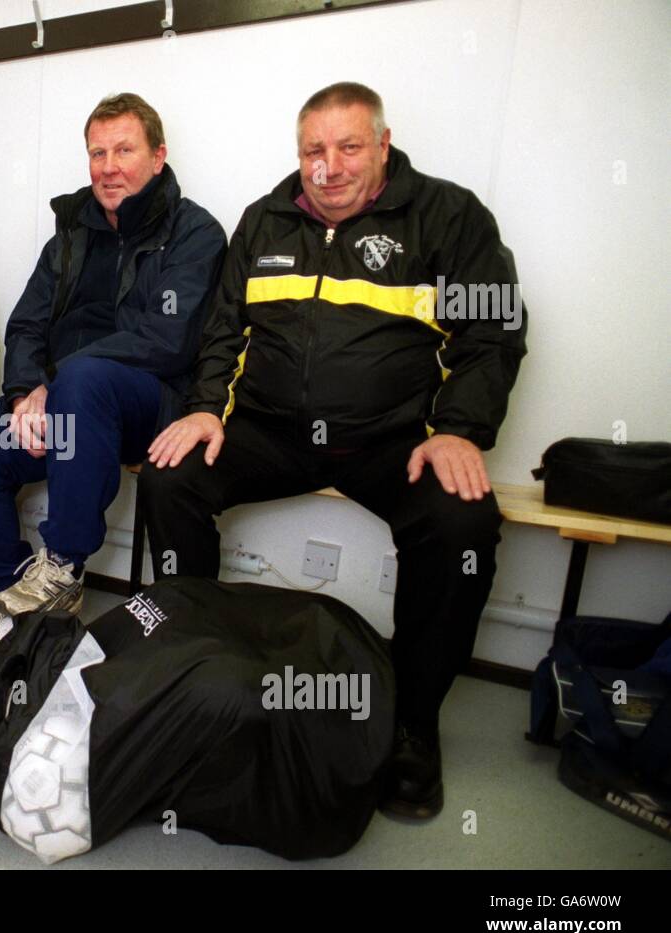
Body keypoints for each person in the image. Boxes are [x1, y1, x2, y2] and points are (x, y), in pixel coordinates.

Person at [142, 82, 528, 819]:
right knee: (172, 477)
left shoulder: (449, 217)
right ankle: (188, 666)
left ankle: (414, 720)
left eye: (349, 147)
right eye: (313, 150)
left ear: (383, 144)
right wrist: (204, 411)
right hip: (271, 428)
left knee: (462, 524)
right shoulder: (264, 221)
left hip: (392, 437)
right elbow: (225, 328)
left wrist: (459, 429)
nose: (329, 166)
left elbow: (493, 333)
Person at [0, 93, 227, 661]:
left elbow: (169, 338)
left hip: (148, 411)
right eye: (98, 152)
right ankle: (22, 586)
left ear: (159, 156)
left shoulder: (195, 233)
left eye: (124, 149)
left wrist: (60, 380)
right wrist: (23, 392)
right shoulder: (68, 238)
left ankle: (63, 565)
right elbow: (25, 326)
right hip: (65, 421)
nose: (109, 165)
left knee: (86, 378)